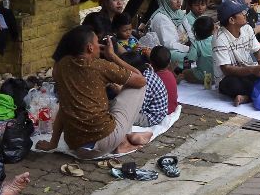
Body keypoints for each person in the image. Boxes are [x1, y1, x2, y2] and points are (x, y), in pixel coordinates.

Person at [40, 26, 153, 157]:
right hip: (104, 143)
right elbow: (140, 79)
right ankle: (122, 142)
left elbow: (64, 107)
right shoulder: (100, 65)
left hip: (77, 148)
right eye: (97, 42)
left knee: (70, 101)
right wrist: (113, 56)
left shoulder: (60, 66)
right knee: (138, 86)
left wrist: (52, 143)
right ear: (90, 48)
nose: (100, 45)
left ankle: (123, 138)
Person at [212, 1, 260, 106]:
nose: (245, 14)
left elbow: (258, 51)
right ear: (232, 20)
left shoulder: (247, 29)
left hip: (251, 72)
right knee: (231, 85)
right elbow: (226, 70)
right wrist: (252, 70)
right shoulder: (219, 38)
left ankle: (248, 97)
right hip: (231, 77)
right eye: (240, 13)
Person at [148, 0, 193, 66]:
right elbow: (170, 44)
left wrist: (196, 44)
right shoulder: (161, 18)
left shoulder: (178, 13)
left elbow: (189, 31)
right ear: (166, 1)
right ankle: (188, 71)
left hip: (183, 46)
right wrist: (190, 49)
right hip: (168, 51)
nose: (179, 1)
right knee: (188, 57)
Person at [135, 47, 171, 127]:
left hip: (152, 117)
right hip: (167, 109)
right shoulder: (168, 74)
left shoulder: (146, 80)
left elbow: (139, 107)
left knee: (121, 117)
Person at [182, 16, 217, 86]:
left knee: (185, 72)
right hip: (218, 75)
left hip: (203, 75)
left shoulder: (197, 43)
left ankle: (207, 81)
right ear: (213, 30)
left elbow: (190, 59)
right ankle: (210, 81)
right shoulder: (218, 40)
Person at [148, 48, 179, 116]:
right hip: (172, 108)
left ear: (150, 62)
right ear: (169, 63)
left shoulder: (152, 78)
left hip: (160, 113)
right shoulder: (170, 74)